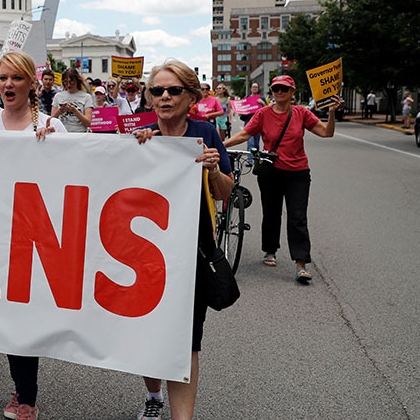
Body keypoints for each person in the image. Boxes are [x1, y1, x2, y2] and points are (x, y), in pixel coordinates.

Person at [0, 51, 65, 420]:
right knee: (10, 316)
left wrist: (54, 150)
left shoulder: (52, 126)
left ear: (31, 84)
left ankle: (26, 395)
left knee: (27, 314)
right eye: (3, 78)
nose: (8, 84)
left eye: (17, 78)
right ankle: (23, 389)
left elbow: (71, 179)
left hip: (37, 237)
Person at [130, 59, 234, 420]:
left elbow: (225, 191)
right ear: (149, 97)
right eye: (157, 90)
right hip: (144, 252)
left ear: (191, 96)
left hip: (192, 252)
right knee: (148, 332)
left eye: (174, 90)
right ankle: (153, 395)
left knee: (187, 340)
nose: (164, 97)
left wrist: (214, 170)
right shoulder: (139, 136)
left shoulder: (205, 133)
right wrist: (134, 151)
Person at [224, 74, 338, 283]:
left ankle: (301, 263)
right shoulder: (263, 114)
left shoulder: (301, 113)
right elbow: (245, 135)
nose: (279, 92)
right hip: (271, 172)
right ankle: (270, 250)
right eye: (276, 88)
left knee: (298, 217)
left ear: (292, 92)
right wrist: (221, 145)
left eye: (284, 89)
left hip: (298, 173)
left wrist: (331, 113)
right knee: (271, 213)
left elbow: (326, 133)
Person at [51, 68, 92, 132]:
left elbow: (88, 123)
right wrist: (59, 111)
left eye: (72, 82)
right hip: (62, 134)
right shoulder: (58, 96)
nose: (69, 85)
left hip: (79, 134)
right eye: (66, 82)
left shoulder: (86, 97)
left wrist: (75, 111)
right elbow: (51, 121)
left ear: (77, 81)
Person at [240, 82, 267, 153]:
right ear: (250, 89)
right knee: (250, 142)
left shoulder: (261, 98)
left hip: (258, 122)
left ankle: (255, 157)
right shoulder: (247, 98)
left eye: (256, 87)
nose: (254, 88)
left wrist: (262, 103)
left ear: (258, 89)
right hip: (248, 121)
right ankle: (250, 159)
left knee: (256, 143)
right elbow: (242, 109)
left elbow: (267, 109)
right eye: (253, 87)